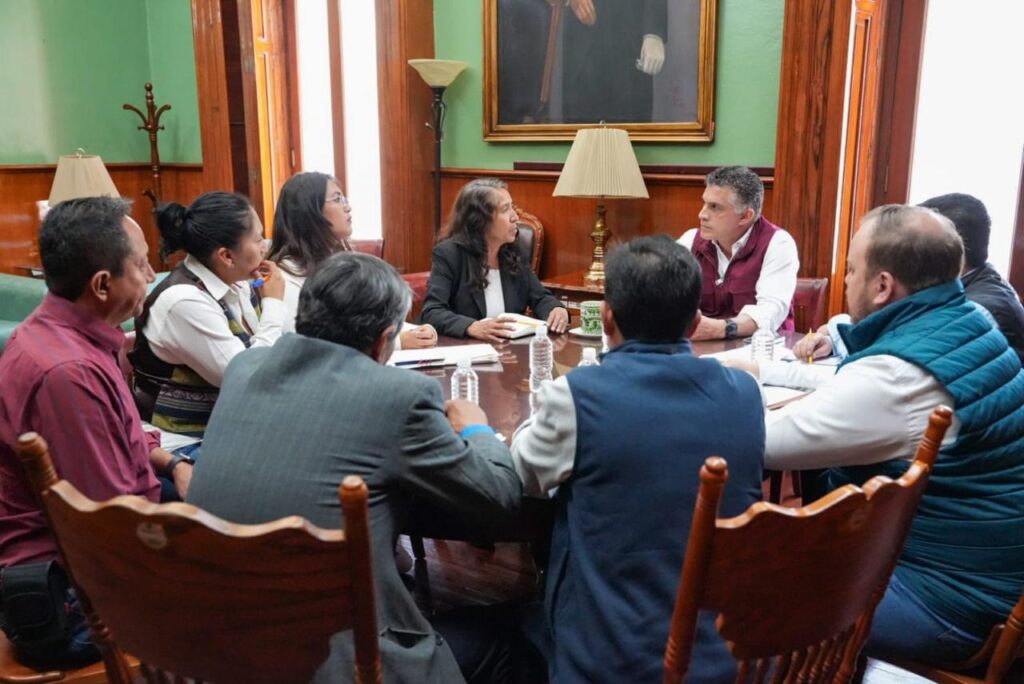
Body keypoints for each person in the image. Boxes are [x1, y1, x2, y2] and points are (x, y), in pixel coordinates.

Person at [187, 252, 527, 684]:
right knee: (522, 630)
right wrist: (476, 428)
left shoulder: (244, 367)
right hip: (337, 664)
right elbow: (499, 497)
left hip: (221, 649)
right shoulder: (399, 397)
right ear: (384, 340)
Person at [736, 205, 1024, 666]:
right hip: (990, 572)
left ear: (883, 285)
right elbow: (865, 390)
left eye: (851, 269)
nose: (846, 281)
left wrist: (717, 390)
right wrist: (764, 371)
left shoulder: (898, 376)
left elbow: (764, 443)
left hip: (948, 600)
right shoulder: (967, 320)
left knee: (738, 596)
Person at [511, 235, 765, 683]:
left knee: (503, 635)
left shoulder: (577, 397)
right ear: (695, 322)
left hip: (607, 664)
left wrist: (478, 429)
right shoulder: (746, 394)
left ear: (607, 317)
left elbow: (524, 474)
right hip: (727, 658)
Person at [0, 198, 190, 668]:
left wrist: (174, 464)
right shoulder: (68, 374)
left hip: (97, 548)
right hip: (71, 596)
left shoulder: (63, 333)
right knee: (257, 596)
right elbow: (112, 523)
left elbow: (123, 434)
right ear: (102, 284)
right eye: (142, 264)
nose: (152, 275)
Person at [129, 192, 286, 446]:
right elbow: (249, 378)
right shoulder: (184, 302)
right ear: (226, 256)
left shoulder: (237, 280)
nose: (264, 247)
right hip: (183, 440)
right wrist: (274, 304)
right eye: (258, 239)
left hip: (235, 425)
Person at [796, 192, 1024, 364]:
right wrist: (834, 337)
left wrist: (836, 332)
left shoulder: (981, 309)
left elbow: (900, 355)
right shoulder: (973, 283)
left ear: (953, 249)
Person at [267, 171, 436, 349]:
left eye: (344, 199)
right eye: (337, 199)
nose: (347, 207)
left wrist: (415, 331)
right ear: (310, 211)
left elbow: (367, 320)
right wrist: (397, 342)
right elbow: (306, 341)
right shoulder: (284, 275)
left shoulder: (337, 261)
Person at [419, 178, 569, 342]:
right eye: (505, 209)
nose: (515, 217)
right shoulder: (450, 254)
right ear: (480, 220)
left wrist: (556, 309)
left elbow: (540, 297)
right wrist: (471, 326)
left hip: (510, 349)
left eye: (512, 207)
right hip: (464, 349)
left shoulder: (514, 252)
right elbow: (432, 312)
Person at [677, 166, 799, 341]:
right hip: (701, 348)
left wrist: (718, 329)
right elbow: (663, 293)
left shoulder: (778, 243)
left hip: (762, 350)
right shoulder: (690, 241)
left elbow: (769, 312)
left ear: (745, 216)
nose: (702, 214)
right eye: (704, 203)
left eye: (715, 207)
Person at [561, 0, 668, 123]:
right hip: (582, 36)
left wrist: (654, 32)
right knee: (580, 125)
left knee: (632, 125)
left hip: (631, 35)